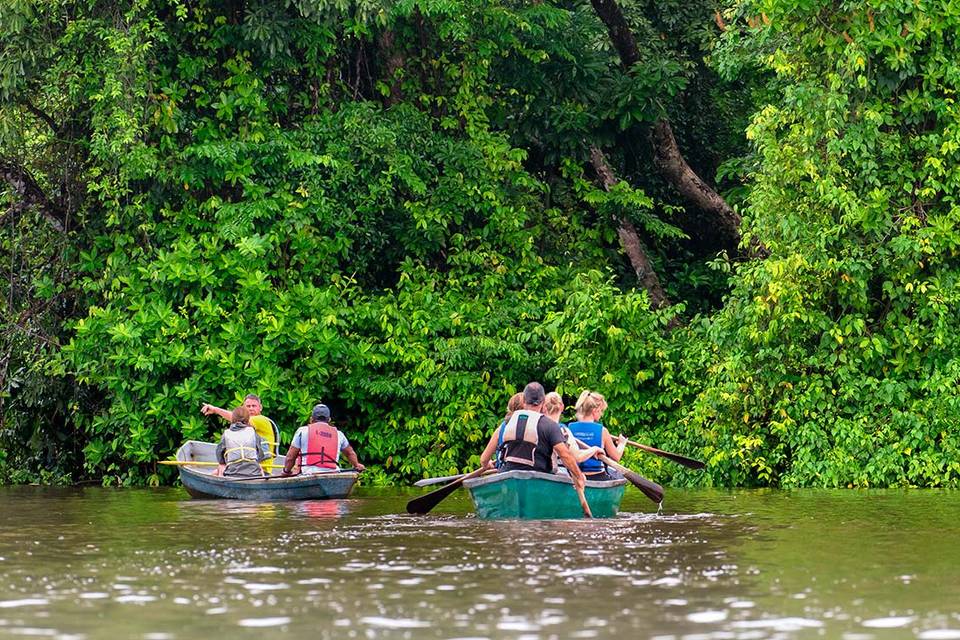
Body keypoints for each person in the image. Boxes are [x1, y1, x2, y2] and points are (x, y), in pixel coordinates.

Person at [491, 382, 586, 492]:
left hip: (508, 476)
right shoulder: (550, 425)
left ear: (524, 400)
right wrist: (579, 476)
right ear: (543, 402)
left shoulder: (508, 421)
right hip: (539, 480)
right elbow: (565, 455)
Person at [281, 404, 365, 475]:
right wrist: (356, 465)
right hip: (333, 472)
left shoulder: (302, 431)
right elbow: (350, 453)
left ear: (311, 419)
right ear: (329, 420)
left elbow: (290, 457)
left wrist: (286, 472)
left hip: (309, 473)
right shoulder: (339, 434)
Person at [565, 390, 627, 481]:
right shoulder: (602, 431)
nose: (601, 414)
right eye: (601, 411)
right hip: (596, 476)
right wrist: (622, 444)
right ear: (595, 410)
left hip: (574, 476)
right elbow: (616, 457)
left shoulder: (569, 428)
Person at [201, 394, 279, 457]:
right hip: (251, 465)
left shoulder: (261, 420)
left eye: (254, 406)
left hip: (261, 468)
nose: (251, 408)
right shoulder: (246, 425)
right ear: (243, 409)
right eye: (248, 406)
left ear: (260, 408)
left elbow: (237, 418)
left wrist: (215, 410)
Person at [214, 406, 269, 477]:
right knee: (259, 465)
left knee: (221, 466)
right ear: (247, 419)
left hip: (232, 474)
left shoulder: (226, 434)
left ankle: (221, 482)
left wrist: (223, 462)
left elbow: (219, 454)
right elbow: (260, 455)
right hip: (254, 474)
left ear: (233, 419)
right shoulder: (253, 432)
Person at [479, 392, 523, 469]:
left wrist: (487, 465)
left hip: (505, 471)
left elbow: (483, 460)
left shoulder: (501, 429)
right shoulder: (534, 425)